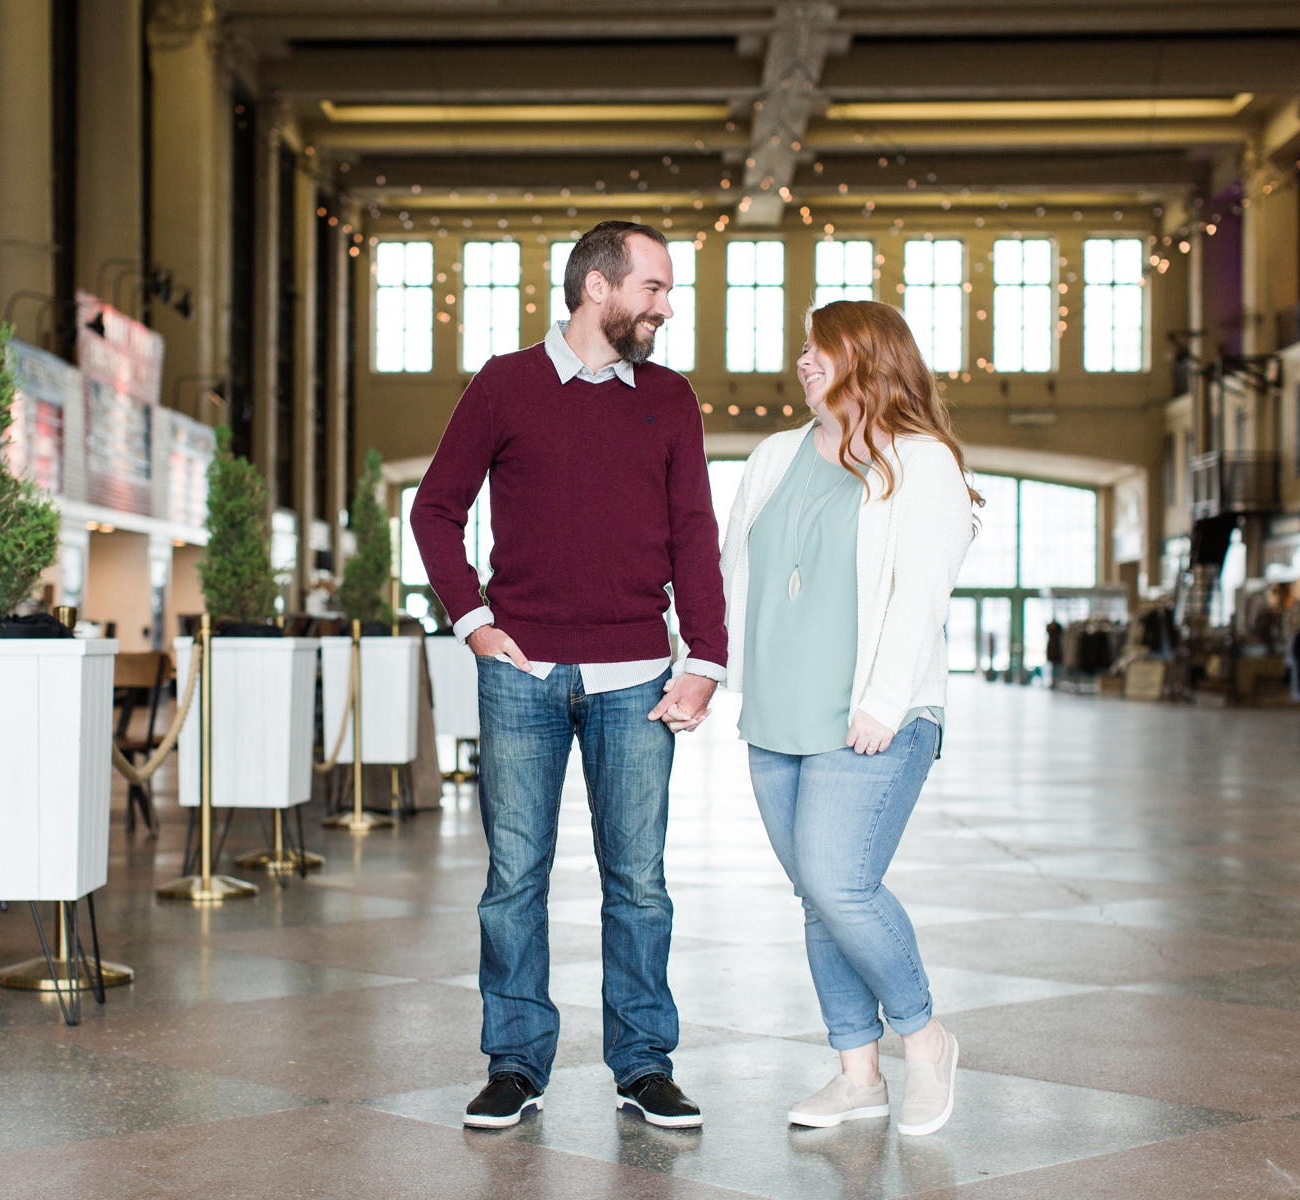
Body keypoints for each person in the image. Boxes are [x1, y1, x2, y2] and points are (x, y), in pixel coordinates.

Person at [411, 220, 726, 1130]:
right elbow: (436, 510)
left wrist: (704, 658)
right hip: (522, 675)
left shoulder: (670, 398)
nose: (665, 306)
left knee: (640, 883)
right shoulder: (506, 385)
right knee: (515, 877)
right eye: (655, 288)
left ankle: (643, 1063)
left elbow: (694, 535)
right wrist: (473, 622)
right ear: (598, 287)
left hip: (639, 679)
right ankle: (514, 1063)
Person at [718, 300, 976, 1137]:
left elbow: (920, 594)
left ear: (867, 357)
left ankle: (925, 1038)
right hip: (777, 715)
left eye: (819, 349)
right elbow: (735, 573)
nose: (804, 363)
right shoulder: (773, 454)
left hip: (873, 717)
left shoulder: (919, 461)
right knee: (816, 898)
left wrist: (884, 701)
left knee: (840, 882)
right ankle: (856, 1073)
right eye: (802, 349)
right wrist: (712, 671)